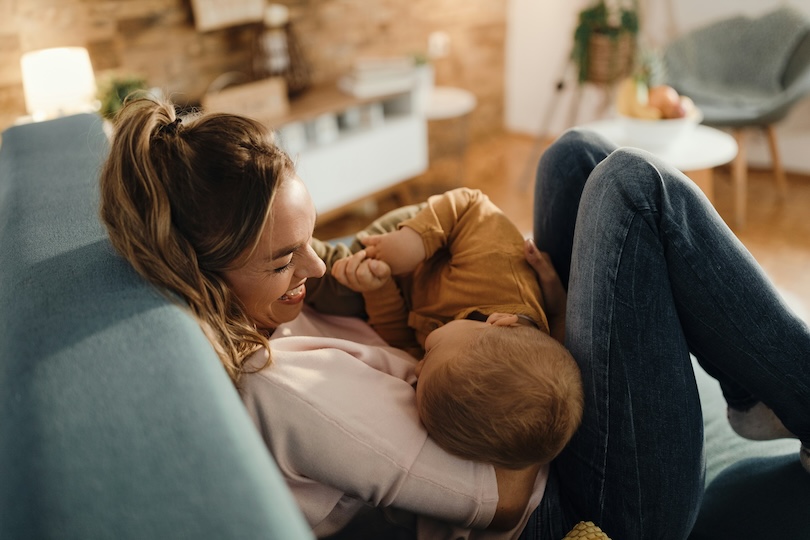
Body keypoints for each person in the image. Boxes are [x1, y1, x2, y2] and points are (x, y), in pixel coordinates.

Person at [99, 95, 810, 540]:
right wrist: (544, 342)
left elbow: (370, 290)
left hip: (514, 393)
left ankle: (755, 391)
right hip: (578, 501)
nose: (315, 268)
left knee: (576, 156)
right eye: (284, 262)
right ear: (203, 273)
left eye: (309, 238)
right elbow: (499, 500)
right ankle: (785, 388)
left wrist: (425, 273)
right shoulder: (287, 393)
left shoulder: (267, 307)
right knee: (633, 188)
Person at [329, 187, 583, 470]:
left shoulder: (454, 359)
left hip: (391, 280)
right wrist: (413, 243)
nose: (415, 367)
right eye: (428, 354)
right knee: (331, 286)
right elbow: (470, 205)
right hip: (425, 241)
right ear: (497, 322)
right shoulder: (497, 271)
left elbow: (398, 336)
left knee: (342, 287)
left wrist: (378, 289)